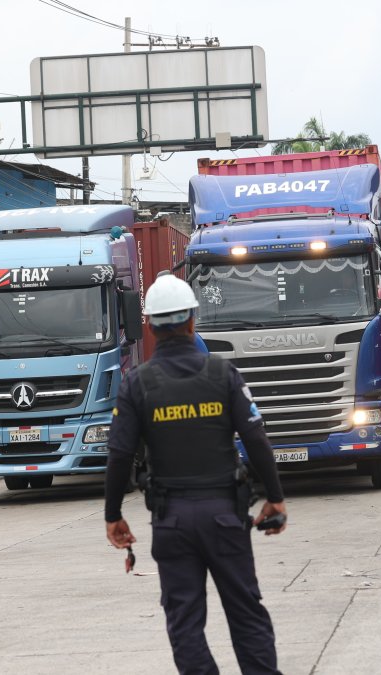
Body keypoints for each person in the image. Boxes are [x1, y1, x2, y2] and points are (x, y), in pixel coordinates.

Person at [103, 274, 287, 675]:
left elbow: (119, 454)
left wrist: (113, 514)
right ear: (192, 321)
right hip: (225, 516)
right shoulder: (223, 375)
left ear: (150, 326)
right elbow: (256, 438)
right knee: (246, 613)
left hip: (171, 523)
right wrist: (275, 496)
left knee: (184, 622)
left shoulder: (137, 384)